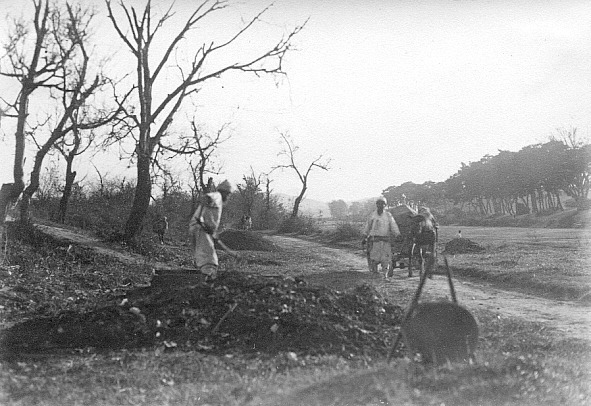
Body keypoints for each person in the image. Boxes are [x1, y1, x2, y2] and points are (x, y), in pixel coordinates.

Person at [189, 180, 234, 281]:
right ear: (224, 192)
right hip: (200, 227)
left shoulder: (218, 200)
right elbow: (207, 197)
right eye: (228, 194)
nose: (228, 197)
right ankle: (207, 280)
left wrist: (212, 231)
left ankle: (204, 276)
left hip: (200, 228)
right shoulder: (217, 196)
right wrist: (203, 222)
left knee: (203, 254)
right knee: (209, 258)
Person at [362, 196, 400, 275]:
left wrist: (397, 234)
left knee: (386, 259)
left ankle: (385, 275)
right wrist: (365, 236)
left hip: (385, 241)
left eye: (383, 204)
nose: (381, 206)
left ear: (385, 205)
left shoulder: (388, 215)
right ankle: (375, 274)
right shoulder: (372, 215)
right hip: (374, 241)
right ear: (377, 205)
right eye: (379, 204)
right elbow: (367, 226)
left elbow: (393, 225)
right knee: (374, 258)